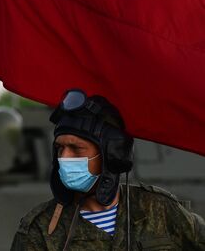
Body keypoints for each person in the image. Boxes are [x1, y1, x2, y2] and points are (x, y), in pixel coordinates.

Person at [10, 89, 205, 250]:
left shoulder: (161, 210)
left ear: (112, 156)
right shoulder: (40, 229)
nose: (64, 158)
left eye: (76, 149)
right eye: (60, 148)